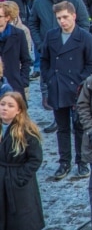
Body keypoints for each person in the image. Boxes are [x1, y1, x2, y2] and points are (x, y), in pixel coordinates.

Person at [41, 1, 92, 180]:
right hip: (58, 87)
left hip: (78, 89)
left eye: (65, 17)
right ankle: (64, 161)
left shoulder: (84, 36)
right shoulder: (51, 36)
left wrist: (80, 82)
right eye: (59, 18)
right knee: (62, 128)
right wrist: (50, 78)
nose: (62, 21)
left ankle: (82, 162)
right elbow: (44, 60)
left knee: (80, 126)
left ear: (74, 16)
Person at [0, 92, 44, 230]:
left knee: (21, 221)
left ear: (19, 110)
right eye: (2, 104)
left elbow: (35, 159)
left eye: (10, 105)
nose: (4, 108)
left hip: (19, 185)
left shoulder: (27, 131)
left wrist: (19, 178)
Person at [0, 1, 31, 100]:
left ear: (7, 18)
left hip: (14, 83)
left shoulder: (19, 34)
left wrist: (23, 81)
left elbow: (26, 60)